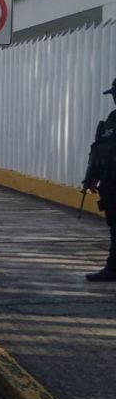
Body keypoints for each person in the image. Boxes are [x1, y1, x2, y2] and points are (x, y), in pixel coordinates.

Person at [82, 77, 116, 281]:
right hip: (110, 182)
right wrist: (92, 177)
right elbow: (99, 149)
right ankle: (113, 268)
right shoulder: (112, 118)